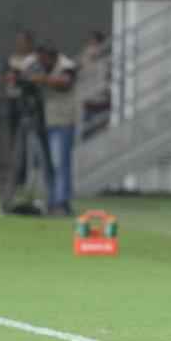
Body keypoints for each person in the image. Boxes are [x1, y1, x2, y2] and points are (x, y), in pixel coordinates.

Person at [30, 45, 79, 215]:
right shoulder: (43, 68)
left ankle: (62, 201)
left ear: (51, 57)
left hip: (64, 121)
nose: (40, 63)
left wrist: (41, 79)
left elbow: (64, 83)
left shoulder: (67, 65)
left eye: (43, 60)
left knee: (61, 163)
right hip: (47, 121)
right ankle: (51, 200)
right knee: (48, 164)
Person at [78, 30, 111, 134]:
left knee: (101, 133)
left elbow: (107, 80)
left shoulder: (107, 60)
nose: (93, 49)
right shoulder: (85, 59)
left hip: (103, 102)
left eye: (96, 44)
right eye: (91, 44)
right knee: (88, 133)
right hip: (89, 102)